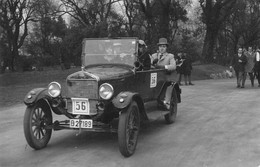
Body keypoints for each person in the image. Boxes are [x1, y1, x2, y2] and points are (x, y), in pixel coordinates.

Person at [151, 38, 176, 110]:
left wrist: (164, 67)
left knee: (169, 85)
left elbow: (173, 66)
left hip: (165, 76)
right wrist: (153, 65)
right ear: (158, 47)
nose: (162, 48)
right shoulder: (154, 56)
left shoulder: (170, 56)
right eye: (160, 46)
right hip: (155, 76)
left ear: (166, 48)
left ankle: (167, 103)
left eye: (164, 46)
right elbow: (149, 65)